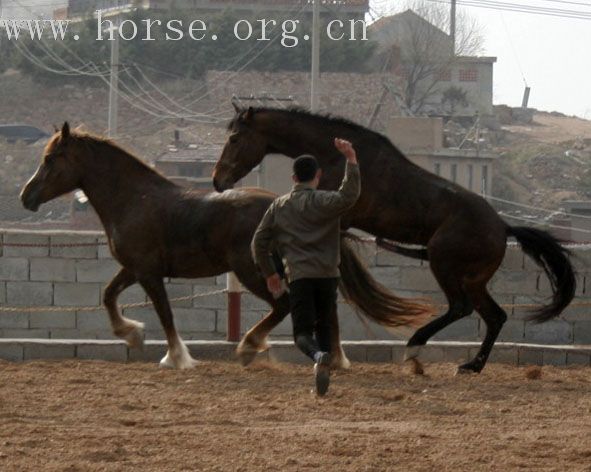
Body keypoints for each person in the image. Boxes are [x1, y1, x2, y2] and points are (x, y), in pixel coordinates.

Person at [251, 138, 360, 396]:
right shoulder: (326, 201)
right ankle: (324, 370)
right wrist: (351, 160)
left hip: (299, 276)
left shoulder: (279, 206)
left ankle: (317, 356)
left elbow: (258, 242)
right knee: (324, 326)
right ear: (318, 176)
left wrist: (270, 273)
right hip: (328, 275)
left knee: (302, 333)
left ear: (293, 178)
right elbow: (350, 194)